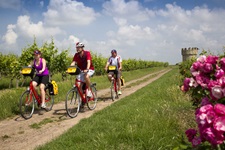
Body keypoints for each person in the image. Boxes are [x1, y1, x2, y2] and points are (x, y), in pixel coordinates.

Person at [70, 42, 95, 106]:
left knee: (86, 76)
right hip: (81, 71)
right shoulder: (76, 55)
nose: (77, 49)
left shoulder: (87, 53)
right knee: (79, 85)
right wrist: (69, 68)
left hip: (89, 69)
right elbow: (73, 62)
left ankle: (89, 91)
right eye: (76, 48)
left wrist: (87, 69)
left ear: (82, 48)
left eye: (78, 48)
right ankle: (82, 100)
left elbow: (88, 62)